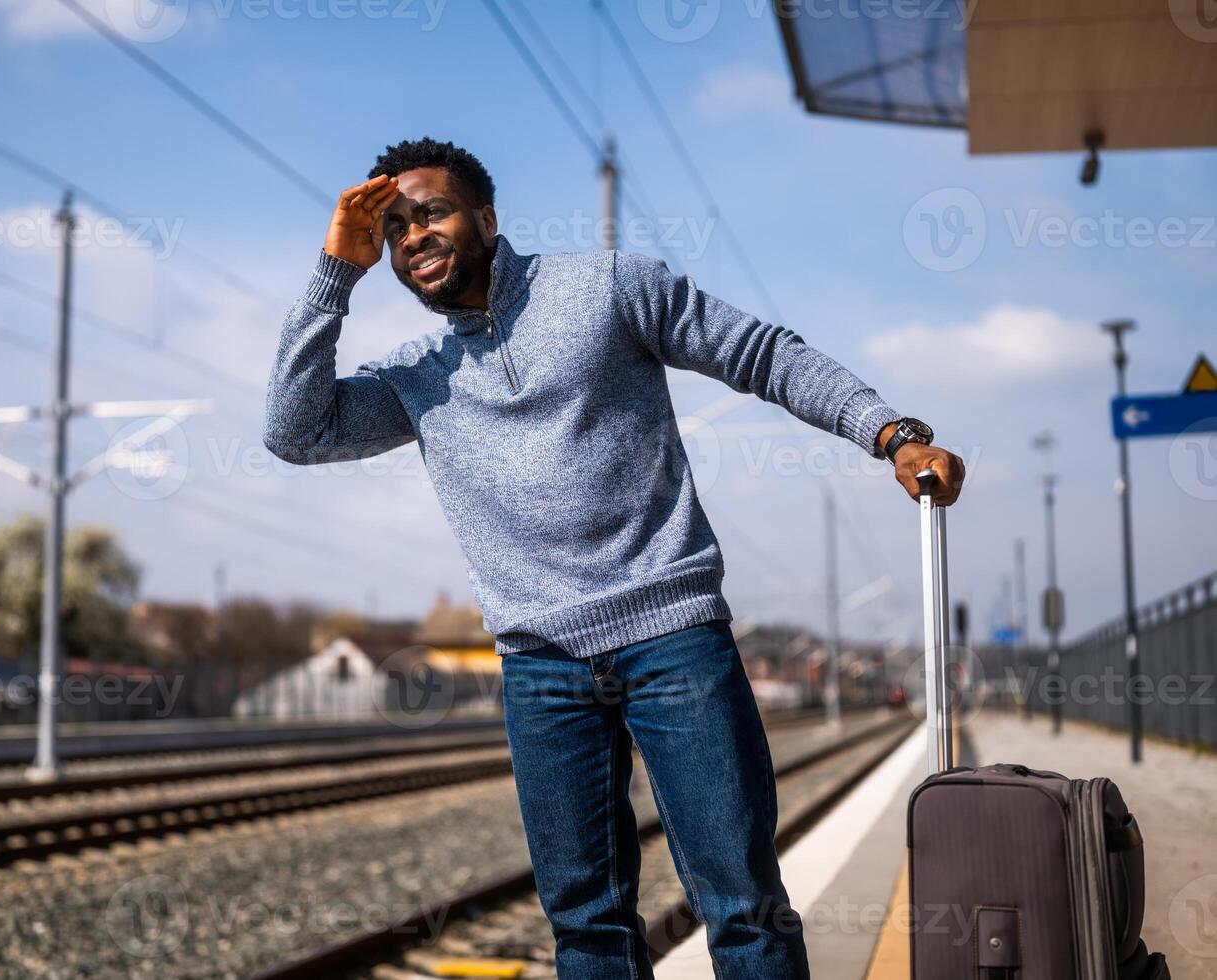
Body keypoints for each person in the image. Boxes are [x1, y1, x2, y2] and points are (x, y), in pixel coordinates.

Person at [264, 137, 964, 979]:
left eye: (434, 211)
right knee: (587, 927)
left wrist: (890, 433)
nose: (414, 234)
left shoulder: (608, 288)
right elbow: (294, 431)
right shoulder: (417, 375)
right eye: (396, 227)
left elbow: (763, 354)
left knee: (742, 905)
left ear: (485, 217)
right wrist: (333, 274)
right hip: (540, 667)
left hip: (673, 640)